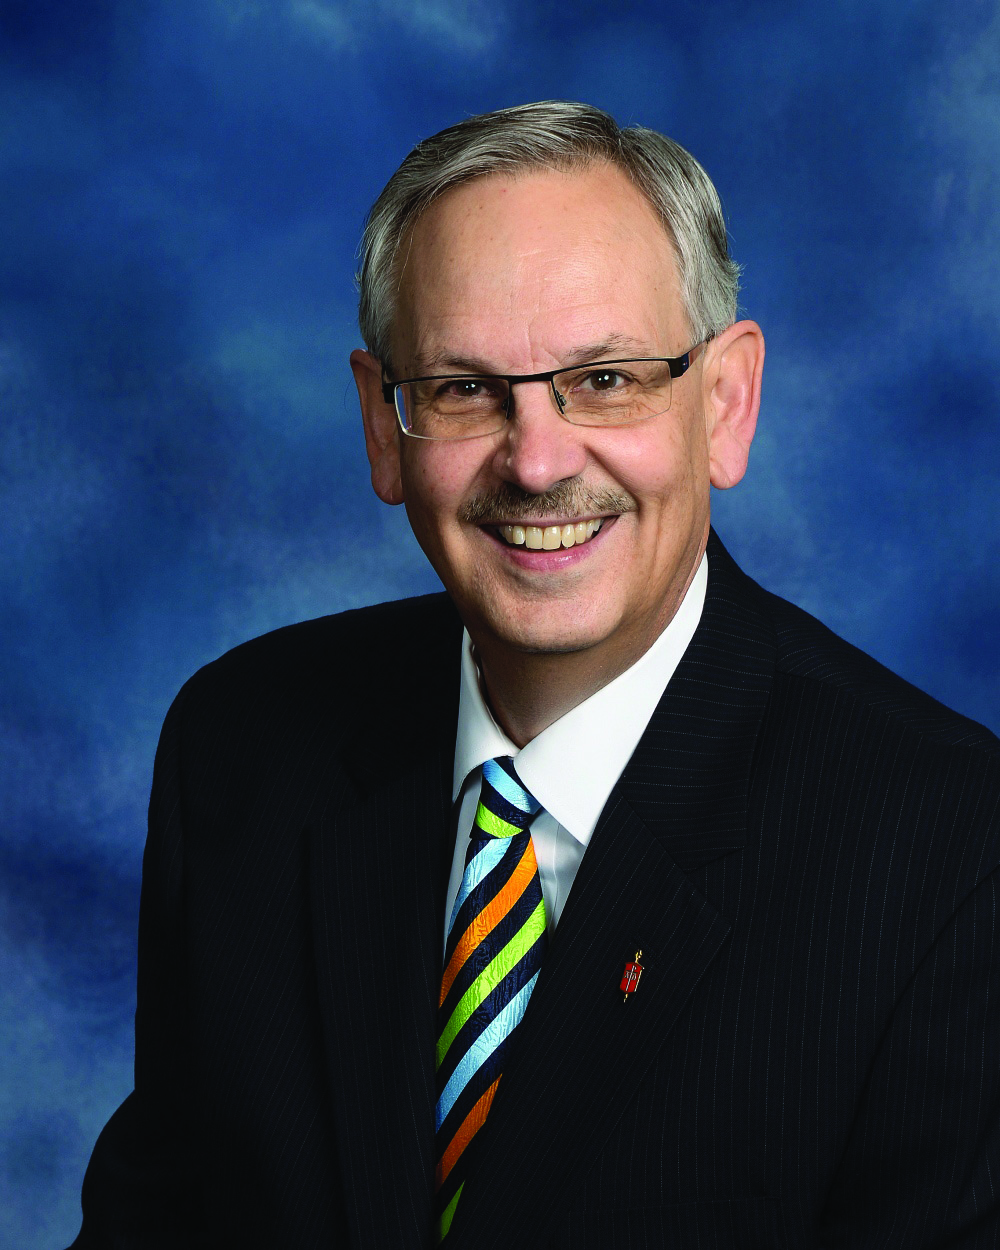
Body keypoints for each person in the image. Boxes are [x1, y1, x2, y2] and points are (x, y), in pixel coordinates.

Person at [71, 100, 999, 1249]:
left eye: (605, 378)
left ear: (724, 402)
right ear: (383, 425)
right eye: (463, 389)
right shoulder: (242, 748)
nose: (538, 460)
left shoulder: (949, 855)